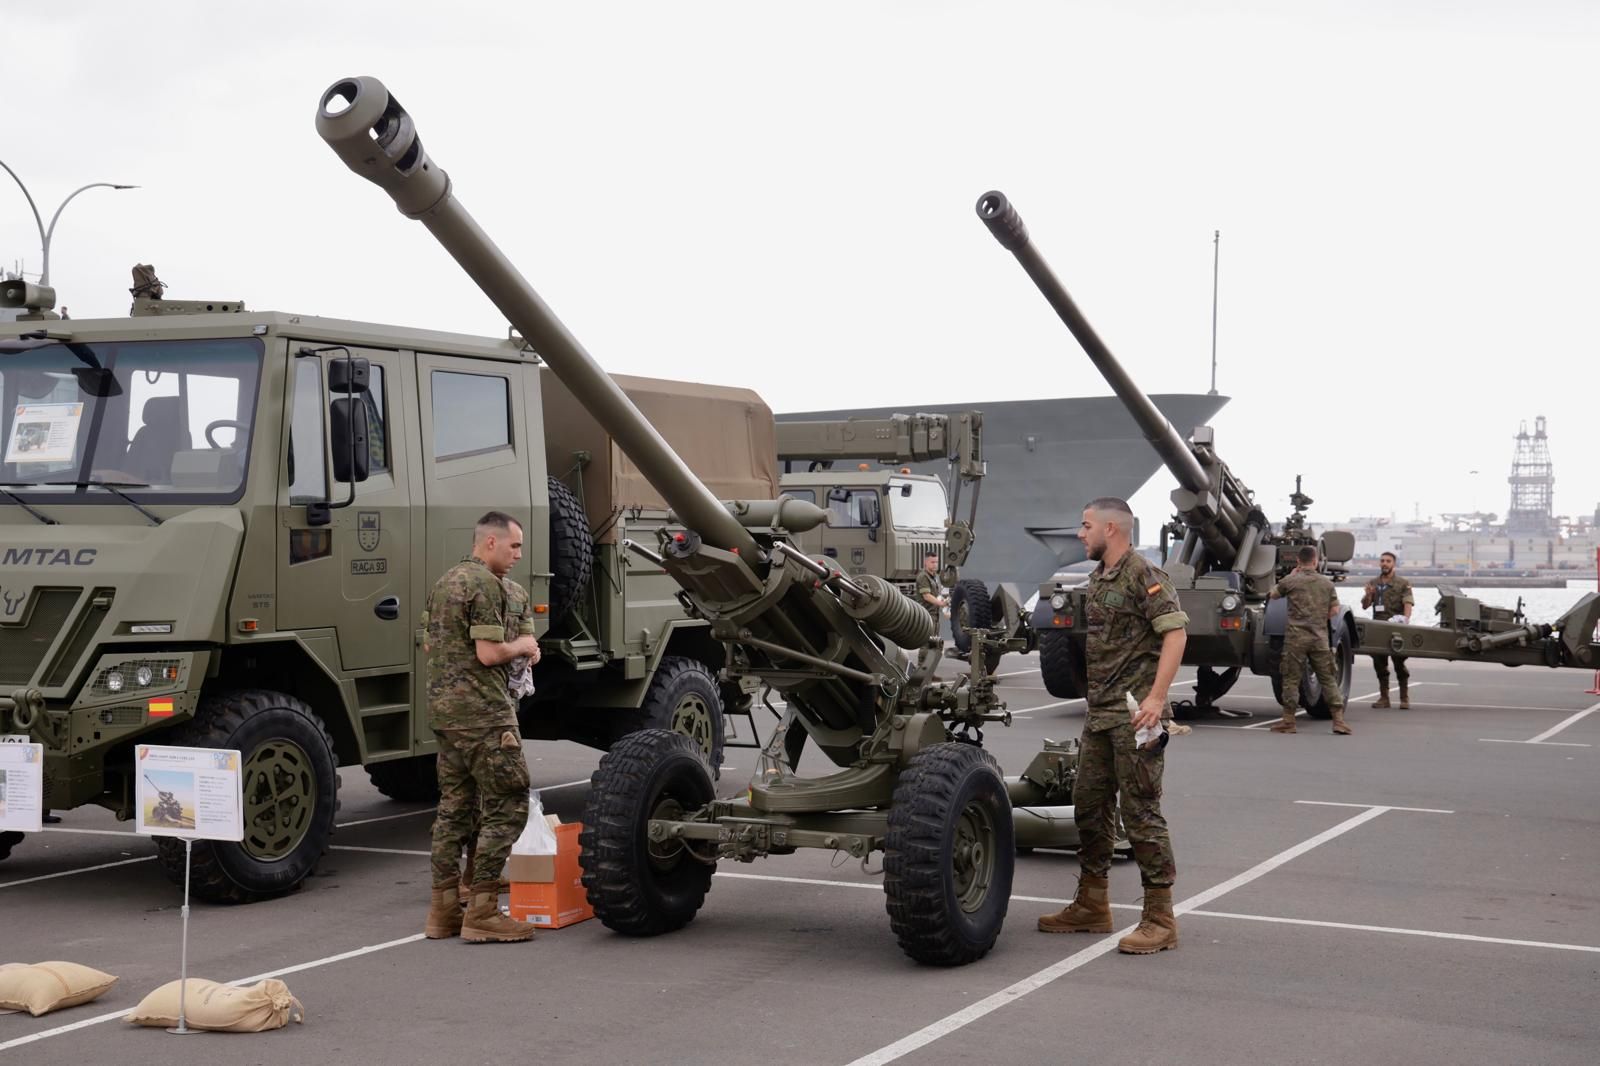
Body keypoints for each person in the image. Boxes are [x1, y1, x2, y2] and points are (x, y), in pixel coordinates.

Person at [1038, 497, 1186, 955]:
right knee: (1088, 806)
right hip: (1100, 714)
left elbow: (1176, 633)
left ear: (1112, 529)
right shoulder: (1099, 577)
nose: (1080, 534)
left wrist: (1157, 699)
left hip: (1135, 718)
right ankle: (1093, 903)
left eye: (1085, 526)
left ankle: (1160, 918)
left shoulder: (1145, 575)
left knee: (1140, 813)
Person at [423, 511, 543, 943]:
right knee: (509, 800)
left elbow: (430, 644)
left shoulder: (446, 583)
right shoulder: (484, 585)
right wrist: (523, 646)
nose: (518, 555)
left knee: (454, 807)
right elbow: (490, 654)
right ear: (489, 542)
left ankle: (443, 911)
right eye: (514, 546)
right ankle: (483, 910)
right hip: (484, 714)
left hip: (446, 714)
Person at [1269, 546, 1349, 735]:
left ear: (1298, 561)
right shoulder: (1327, 584)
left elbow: (1273, 595)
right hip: (1319, 637)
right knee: (1328, 678)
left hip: (1296, 639)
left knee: (1291, 679)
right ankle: (1338, 721)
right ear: (1315, 561)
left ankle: (1288, 721)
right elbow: (1335, 610)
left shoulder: (1290, 581)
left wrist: (1291, 575)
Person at [1362, 552, 1415, 708]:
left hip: (1395, 628)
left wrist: (1405, 620)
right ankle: (1384, 698)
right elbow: (1365, 605)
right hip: (1378, 627)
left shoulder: (1403, 583)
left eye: (1388, 561)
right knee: (1379, 664)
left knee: (1399, 663)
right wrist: (1368, 595)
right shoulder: (1374, 582)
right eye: (1382, 561)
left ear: (1394, 564)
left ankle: (1404, 698)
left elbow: (1408, 603)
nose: (1384, 563)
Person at [913, 551, 946, 629]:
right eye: (932, 562)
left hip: (935, 616)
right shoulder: (923, 576)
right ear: (926, 562)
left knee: (935, 639)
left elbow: (937, 595)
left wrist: (945, 609)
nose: (935, 564)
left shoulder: (935, 577)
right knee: (928, 639)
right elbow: (926, 596)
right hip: (926, 615)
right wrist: (941, 604)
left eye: (936, 562)